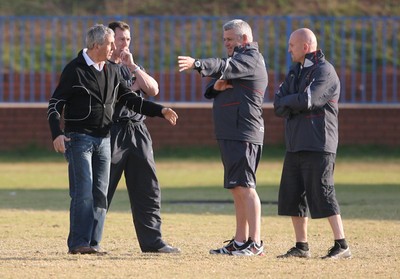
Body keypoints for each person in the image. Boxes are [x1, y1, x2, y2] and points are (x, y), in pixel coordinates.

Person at [47, 24, 178, 255]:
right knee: (84, 191)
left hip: (106, 139)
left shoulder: (113, 70)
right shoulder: (75, 69)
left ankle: (94, 244)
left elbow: (131, 99)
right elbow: (55, 104)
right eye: (112, 43)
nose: (116, 47)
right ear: (97, 44)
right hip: (80, 139)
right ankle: (79, 242)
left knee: (100, 192)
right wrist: (57, 133)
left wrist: (160, 111)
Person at [178, 19, 268, 256]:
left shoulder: (251, 58)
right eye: (224, 39)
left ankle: (255, 243)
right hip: (231, 133)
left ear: (244, 39)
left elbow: (222, 66)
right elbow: (215, 85)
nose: (226, 43)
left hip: (244, 133)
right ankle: (240, 242)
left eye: (230, 39)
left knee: (246, 187)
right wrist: (216, 87)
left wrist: (198, 63)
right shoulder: (238, 62)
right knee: (236, 187)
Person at [273, 28, 351, 259]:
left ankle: (342, 245)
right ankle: (301, 246)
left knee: (323, 192)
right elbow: (278, 103)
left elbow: (309, 100)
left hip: (319, 142)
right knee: (293, 195)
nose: (289, 50)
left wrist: (291, 102)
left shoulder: (325, 71)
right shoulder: (295, 72)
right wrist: (291, 101)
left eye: (292, 45)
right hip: (296, 142)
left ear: (305, 47)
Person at [106, 21, 180, 253]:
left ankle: (153, 242)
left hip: (138, 132)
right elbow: (121, 95)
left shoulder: (132, 66)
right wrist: (132, 83)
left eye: (128, 39)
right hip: (112, 132)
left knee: (147, 188)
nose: (125, 44)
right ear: (110, 41)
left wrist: (135, 68)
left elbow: (153, 89)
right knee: (101, 187)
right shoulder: (103, 68)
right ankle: (87, 239)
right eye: (120, 39)